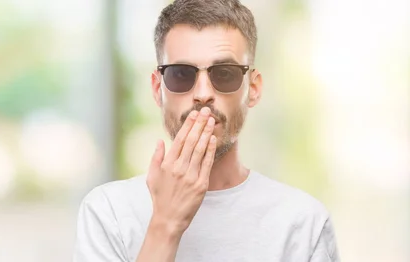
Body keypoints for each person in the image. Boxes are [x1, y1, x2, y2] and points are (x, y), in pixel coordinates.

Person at [73, 0, 340, 261]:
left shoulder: (303, 223)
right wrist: (165, 225)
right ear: (158, 89)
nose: (203, 94)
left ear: (254, 89)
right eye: (181, 74)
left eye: (224, 74)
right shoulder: (107, 213)